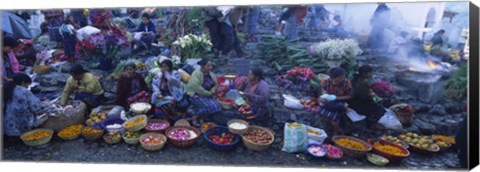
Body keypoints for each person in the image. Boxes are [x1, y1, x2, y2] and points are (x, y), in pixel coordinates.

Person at [3, 73, 48, 138]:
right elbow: (36, 108)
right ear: (23, 82)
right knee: (41, 118)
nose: (28, 86)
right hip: (21, 126)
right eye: (28, 84)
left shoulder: (5, 89)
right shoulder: (24, 91)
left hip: (6, 126)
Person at [348, 65, 386, 130]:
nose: (372, 74)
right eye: (370, 73)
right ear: (364, 74)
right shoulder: (361, 83)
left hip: (356, 101)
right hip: (358, 104)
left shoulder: (359, 79)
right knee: (381, 110)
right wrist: (372, 95)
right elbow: (363, 96)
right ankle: (371, 124)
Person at [318, 67, 353, 136]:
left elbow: (350, 96)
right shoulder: (326, 82)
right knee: (322, 115)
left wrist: (337, 98)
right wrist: (323, 95)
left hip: (339, 102)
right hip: (327, 102)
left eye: (343, 77)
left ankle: (336, 132)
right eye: (340, 78)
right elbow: (320, 90)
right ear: (332, 78)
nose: (342, 79)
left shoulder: (346, 83)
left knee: (333, 119)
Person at [186, 58, 222, 127]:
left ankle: (202, 117)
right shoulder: (196, 73)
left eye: (210, 65)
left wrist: (212, 91)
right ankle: (195, 118)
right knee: (208, 107)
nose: (210, 67)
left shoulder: (211, 74)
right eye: (208, 66)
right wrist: (208, 93)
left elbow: (215, 84)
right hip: (196, 95)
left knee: (217, 107)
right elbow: (197, 87)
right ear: (203, 66)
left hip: (207, 95)